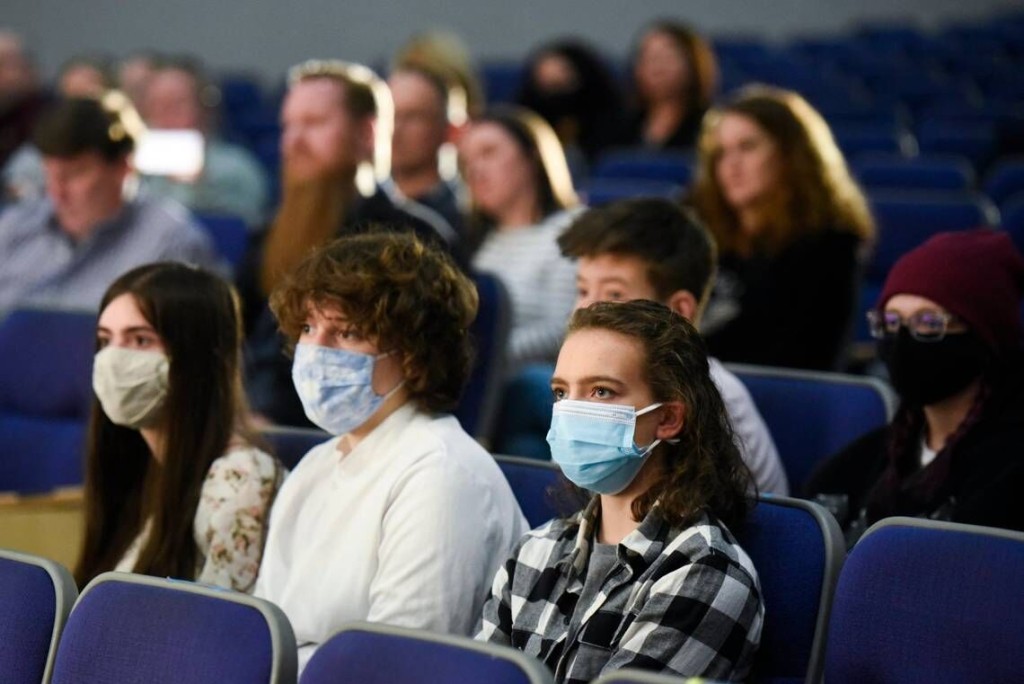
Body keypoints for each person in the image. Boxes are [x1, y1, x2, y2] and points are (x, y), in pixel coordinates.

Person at [254, 231, 527, 672]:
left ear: (415, 357)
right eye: (308, 328)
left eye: (348, 332)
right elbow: (264, 636)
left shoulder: (442, 472)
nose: (316, 351)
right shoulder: (315, 465)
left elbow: (396, 667)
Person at [479, 300, 764, 683]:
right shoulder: (534, 550)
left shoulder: (706, 570)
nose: (572, 411)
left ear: (667, 418)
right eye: (562, 393)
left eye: (600, 391)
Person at [241, 59, 459, 427]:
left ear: (367, 133)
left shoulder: (412, 240)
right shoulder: (268, 233)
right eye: (288, 125)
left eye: (314, 123)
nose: (293, 141)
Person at [805, 230, 1024, 544]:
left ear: (984, 337)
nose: (903, 341)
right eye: (891, 322)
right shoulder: (860, 464)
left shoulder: (1010, 474)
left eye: (929, 323)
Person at [74, 262, 283, 592]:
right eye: (106, 340)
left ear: (198, 356)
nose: (114, 359)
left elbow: (219, 629)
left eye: (141, 340)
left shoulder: (239, 478)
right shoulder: (136, 467)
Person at [558, 198, 786, 494]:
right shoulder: (588, 387)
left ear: (678, 311)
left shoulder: (706, 399)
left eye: (614, 293)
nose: (586, 310)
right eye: (583, 290)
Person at [690, 85, 875, 371]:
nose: (731, 165)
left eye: (748, 147)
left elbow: (806, 362)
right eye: (721, 153)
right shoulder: (698, 228)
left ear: (791, 155)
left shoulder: (831, 246)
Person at [0, 95, 219, 314]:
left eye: (74, 174)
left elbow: (192, 341)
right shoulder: (14, 228)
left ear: (123, 168)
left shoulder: (170, 242)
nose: (57, 192)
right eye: (49, 174)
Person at [463, 106, 582, 371]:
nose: (475, 170)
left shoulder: (572, 229)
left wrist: (482, 358)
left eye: (488, 153)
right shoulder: (482, 240)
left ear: (532, 157)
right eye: (467, 161)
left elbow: (565, 329)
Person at [139, 56, 270, 229]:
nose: (165, 115)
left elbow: (249, 228)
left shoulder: (239, 168)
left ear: (203, 108)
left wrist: (199, 187)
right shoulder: (135, 175)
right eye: (156, 105)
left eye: (177, 104)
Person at [516, 39, 628, 171]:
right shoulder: (523, 130)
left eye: (561, 85)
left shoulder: (616, 127)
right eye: (549, 86)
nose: (556, 98)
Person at [383, 65, 466, 235]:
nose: (394, 129)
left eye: (413, 117)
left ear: (451, 130)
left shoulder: (469, 215)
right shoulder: (355, 208)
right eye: (388, 115)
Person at [626, 20, 718, 151]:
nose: (658, 68)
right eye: (650, 58)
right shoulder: (622, 126)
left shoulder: (710, 126)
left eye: (667, 58)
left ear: (692, 65)